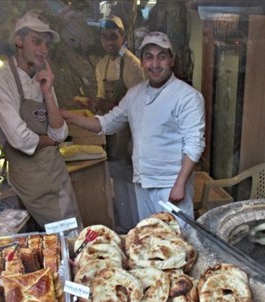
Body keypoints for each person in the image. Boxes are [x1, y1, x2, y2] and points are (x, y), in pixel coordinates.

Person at [62, 31, 205, 225]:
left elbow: (194, 144)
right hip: (142, 184)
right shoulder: (134, 94)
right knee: (147, 243)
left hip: (170, 186)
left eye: (161, 57)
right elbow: (106, 124)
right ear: (142, 62)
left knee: (178, 245)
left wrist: (179, 185)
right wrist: (68, 116)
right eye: (149, 57)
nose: (155, 64)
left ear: (171, 60)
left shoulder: (187, 96)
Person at [0, 10, 81, 230]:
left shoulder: (41, 77)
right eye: (36, 41)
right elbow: (21, 140)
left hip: (56, 172)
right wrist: (51, 140)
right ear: (18, 41)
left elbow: (60, 133)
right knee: (63, 237)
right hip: (32, 178)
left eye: (46, 44)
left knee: (74, 232)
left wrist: (47, 93)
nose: (43, 50)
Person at [78, 16, 145, 233]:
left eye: (113, 37)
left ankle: (138, 227)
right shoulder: (101, 66)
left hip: (132, 134)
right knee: (118, 182)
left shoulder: (134, 65)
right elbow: (102, 101)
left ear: (122, 37)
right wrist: (94, 104)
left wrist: (107, 104)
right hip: (113, 133)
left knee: (134, 184)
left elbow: (139, 104)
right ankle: (125, 226)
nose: (109, 42)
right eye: (105, 38)